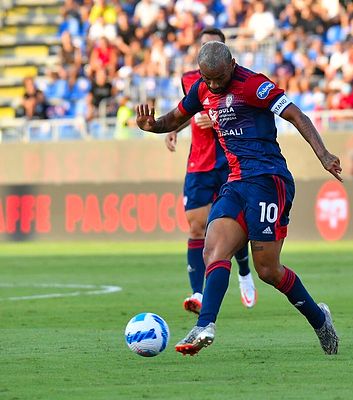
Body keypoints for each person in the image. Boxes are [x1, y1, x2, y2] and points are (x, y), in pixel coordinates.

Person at [136, 41, 342, 356]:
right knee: (214, 248)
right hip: (235, 182)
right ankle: (205, 325)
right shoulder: (202, 88)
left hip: (268, 181)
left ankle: (319, 319)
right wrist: (153, 127)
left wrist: (324, 154)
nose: (215, 85)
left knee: (268, 271)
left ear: (232, 63)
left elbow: (296, 115)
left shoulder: (254, 85)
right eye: (209, 79)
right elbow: (175, 118)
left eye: (219, 78)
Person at [164, 28, 258, 313]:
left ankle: (243, 272)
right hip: (200, 161)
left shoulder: (237, 80)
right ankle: (198, 293)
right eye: (204, 47)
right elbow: (190, 109)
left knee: (233, 224)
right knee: (196, 226)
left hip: (229, 160)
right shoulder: (189, 79)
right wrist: (175, 129)